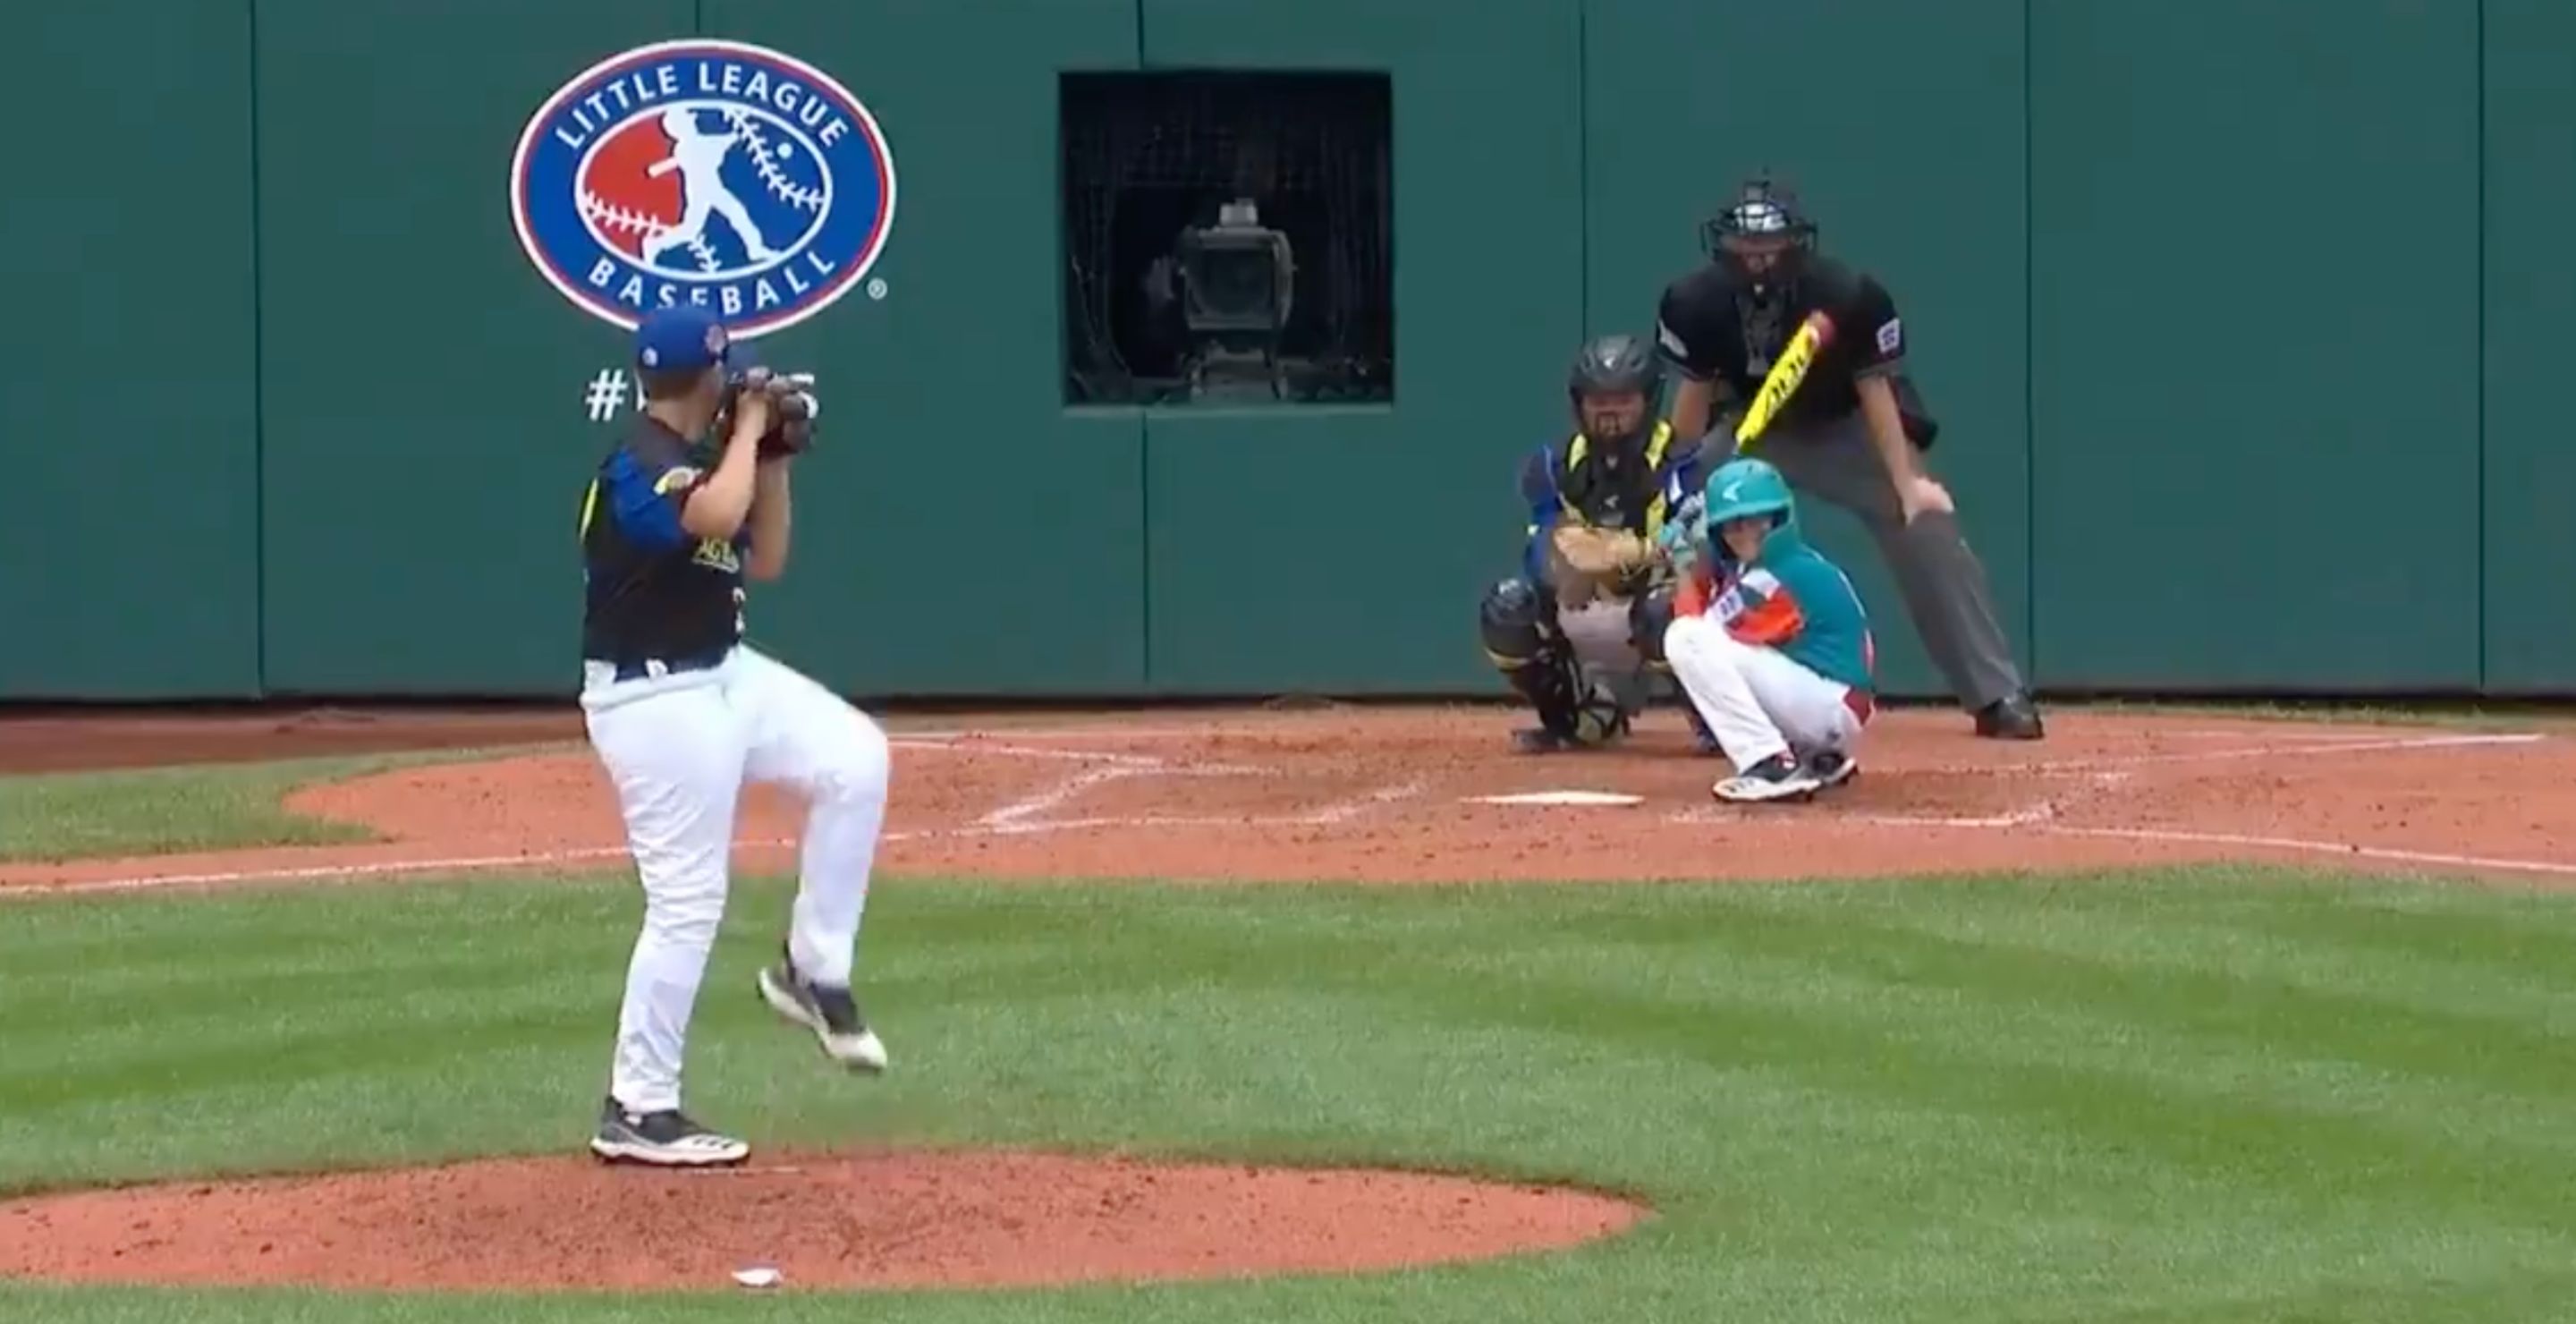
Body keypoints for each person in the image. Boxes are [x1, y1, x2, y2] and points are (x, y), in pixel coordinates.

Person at [576, 303, 892, 1168]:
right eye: (730, 380)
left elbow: (769, 555)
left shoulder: (713, 461)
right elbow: (711, 520)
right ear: (707, 379)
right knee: (687, 901)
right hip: (653, 703)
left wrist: (775, 457)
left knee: (855, 759)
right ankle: (638, 1106)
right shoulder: (638, 465)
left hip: (725, 676)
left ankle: (812, 968)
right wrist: (752, 430)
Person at [1651, 175, 2045, 740]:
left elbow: (1876, 395)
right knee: (1685, 529)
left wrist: (1907, 486)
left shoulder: (1846, 294)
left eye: (1770, 246)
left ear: (1796, 243)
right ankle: (1715, 701)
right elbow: (1689, 411)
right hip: (1750, 434)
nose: (1758, 259)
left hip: (1845, 427)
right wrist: (1678, 486)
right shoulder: (1695, 301)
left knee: (1927, 525)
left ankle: (1994, 692)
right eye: (1746, 247)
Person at [1478, 334, 1718, 753]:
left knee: (1667, 606)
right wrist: (1562, 562)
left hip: (1658, 611)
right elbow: (1541, 549)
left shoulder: (1683, 462)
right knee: (1507, 607)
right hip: (1588, 607)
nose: (1610, 412)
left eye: (1623, 400)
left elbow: (1703, 554)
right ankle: (1574, 719)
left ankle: (1716, 723)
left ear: (1648, 400)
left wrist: (1637, 553)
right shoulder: (1552, 465)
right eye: (1598, 401)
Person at [1661, 455, 1874, 802]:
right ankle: (1816, 759)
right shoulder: (1773, 567)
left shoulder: (1779, 575)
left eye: (1755, 519)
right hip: (1828, 709)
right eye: (1732, 525)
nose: (1744, 532)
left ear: (1779, 517)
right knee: (1701, 640)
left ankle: (1767, 761)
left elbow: (1697, 631)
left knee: (1685, 638)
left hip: (1829, 709)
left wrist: (1684, 566)